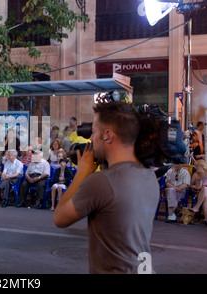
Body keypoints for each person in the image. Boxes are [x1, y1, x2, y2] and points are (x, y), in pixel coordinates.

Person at [54, 101, 159, 274]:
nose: (91, 138)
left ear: (108, 136)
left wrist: (82, 173)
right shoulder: (148, 175)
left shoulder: (101, 182)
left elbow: (60, 218)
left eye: (94, 132)